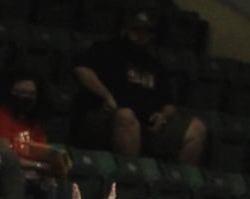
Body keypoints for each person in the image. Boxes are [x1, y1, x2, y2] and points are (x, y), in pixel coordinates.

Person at [71, 10, 206, 164]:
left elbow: (169, 103)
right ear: (126, 30)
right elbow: (81, 70)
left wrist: (163, 116)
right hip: (106, 117)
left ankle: (176, 183)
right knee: (127, 116)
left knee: (197, 128)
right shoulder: (106, 49)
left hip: (147, 124)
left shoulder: (154, 64)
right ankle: (132, 178)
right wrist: (106, 96)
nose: (140, 35)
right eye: (136, 30)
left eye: (145, 32)